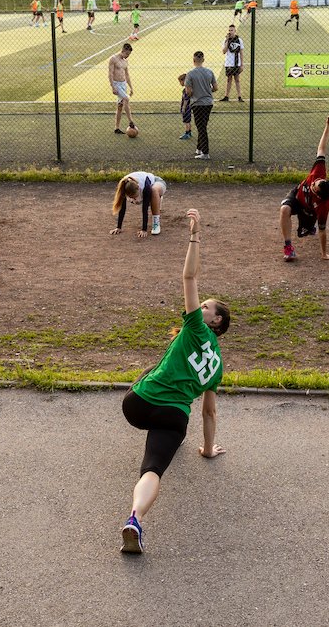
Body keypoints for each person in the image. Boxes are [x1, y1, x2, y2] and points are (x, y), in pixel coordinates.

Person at [119, 208, 229, 555]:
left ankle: (133, 524)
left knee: (153, 370)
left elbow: (189, 278)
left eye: (207, 306)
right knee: (152, 470)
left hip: (138, 405)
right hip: (174, 417)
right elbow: (208, 413)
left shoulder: (195, 327)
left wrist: (195, 236)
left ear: (214, 322)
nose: (203, 305)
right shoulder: (219, 366)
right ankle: (134, 518)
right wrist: (209, 449)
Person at [279, 111, 329, 263]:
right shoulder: (319, 172)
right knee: (284, 209)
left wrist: (324, 253)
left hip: (309, 210)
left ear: (319, 196)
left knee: (306, 232)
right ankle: (288, 248)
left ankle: (307, 225)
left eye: (314, 187)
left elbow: (323, 230)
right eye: (315, 182)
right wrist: (328, 126)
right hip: (297, 197)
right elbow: (322, 148)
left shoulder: (323, 206)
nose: (312, 183)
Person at [184, 50, 217, 161]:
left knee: (201, 127)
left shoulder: (190, 74)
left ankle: (205, 153)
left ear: (194, 61)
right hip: (208, 103)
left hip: (197, 103)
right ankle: (199, 148)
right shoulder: (209, 72)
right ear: (203, 60)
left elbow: (188, 92)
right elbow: (215, 88)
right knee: (202, 125)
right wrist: (207, 90)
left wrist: (196, 92)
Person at [111, 171, 166, 237]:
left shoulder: (145, 186)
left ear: (139, 188)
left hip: (157, 182)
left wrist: (144, 230)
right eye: (132, 197)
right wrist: (118, 227)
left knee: (154, 190)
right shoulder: (124, 186)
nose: (134, 199)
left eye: (135, 196)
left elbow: (144, 209)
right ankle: (156, 200)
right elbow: (122, 208)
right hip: (140, 191)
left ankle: (156, 224)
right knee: (139, 201)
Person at [109, 43, 136, 135]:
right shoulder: (113, 59)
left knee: (120, 106)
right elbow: (110, 74)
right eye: (127, 54)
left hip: (123, 84)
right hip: (116, 84)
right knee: (126, 99)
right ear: (123, 51)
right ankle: (131, 122)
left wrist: (131, 87)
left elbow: (127, 75)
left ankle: (116, 128)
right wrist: (112, 87)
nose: (128, 56)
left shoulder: (125, 61)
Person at [221, 24, 244, 103]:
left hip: (236, 63)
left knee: (237, 80)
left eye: (232, 30)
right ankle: (226, 96)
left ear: (235, 31)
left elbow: (241, 53)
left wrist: (242, 64)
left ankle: (239, 96)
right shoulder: (225, 40)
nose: (230, 32)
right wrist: (227, 40)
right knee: (229, 79)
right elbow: (224, 51)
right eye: (229, 30)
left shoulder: (239, 40)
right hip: (228, 63)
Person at [176, 72, 193, 141]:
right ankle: (189, 132)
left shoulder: (186, 89)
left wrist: (183, 107)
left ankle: (187, 133)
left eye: (180, 81)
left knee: (186, 121)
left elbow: (186, 100)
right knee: (188, 121)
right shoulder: (188, 88)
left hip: (187, 108)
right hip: (188, 107)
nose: (180, 83)